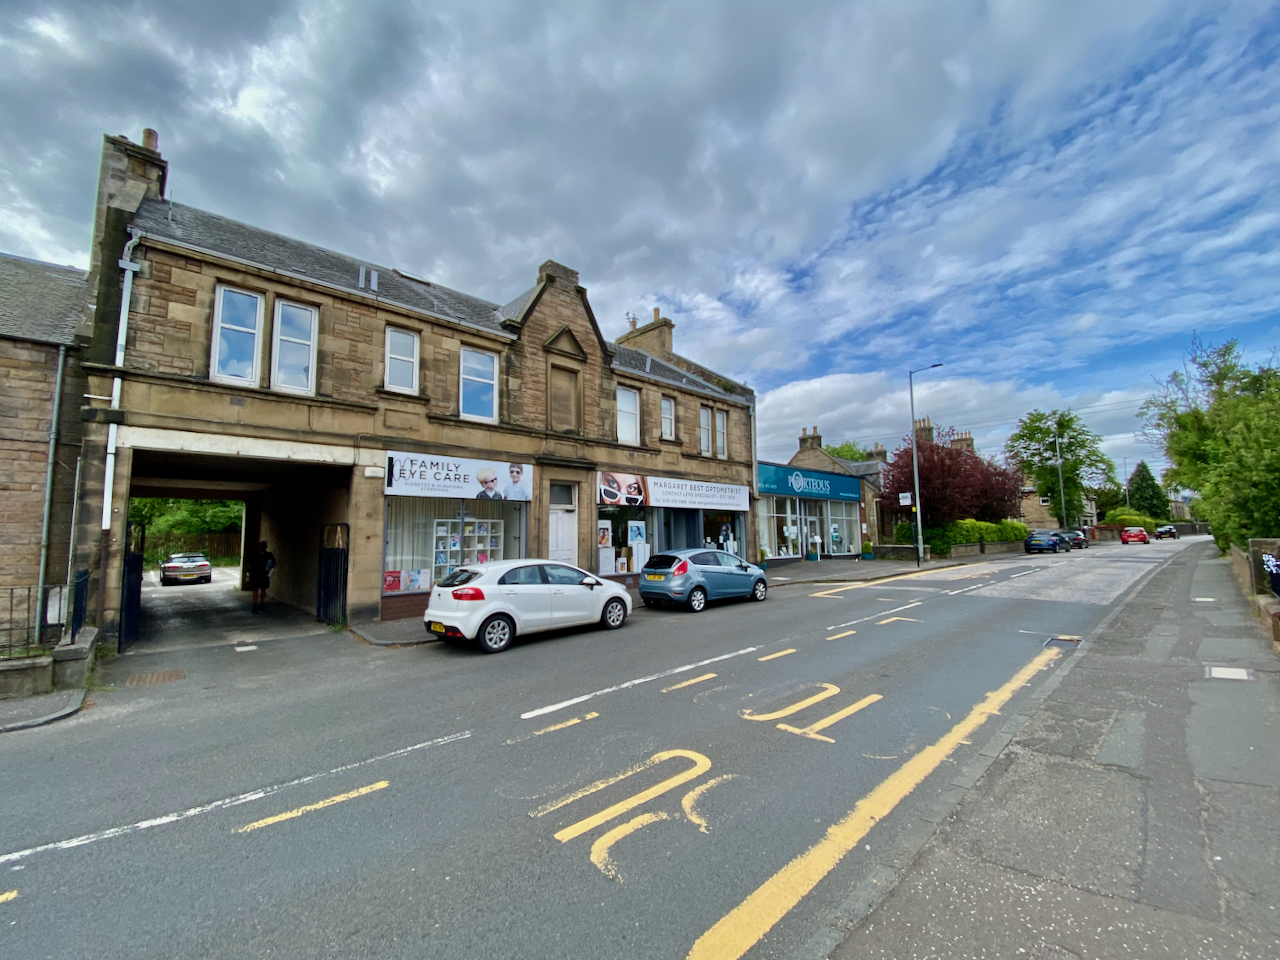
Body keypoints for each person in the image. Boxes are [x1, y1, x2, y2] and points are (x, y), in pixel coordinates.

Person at [248, 540, 276, 613]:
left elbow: (274, 564)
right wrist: (248, 573)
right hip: (255, 574)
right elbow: (249, 564)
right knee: (255, 589)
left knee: (263, 590)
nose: (262, 548)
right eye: (260, 546)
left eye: (263, 546)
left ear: (266, 547)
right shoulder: (254, 555)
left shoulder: (269, 555)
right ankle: (255, 604)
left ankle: (261, 603)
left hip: (264, 574)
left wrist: (270, 571)